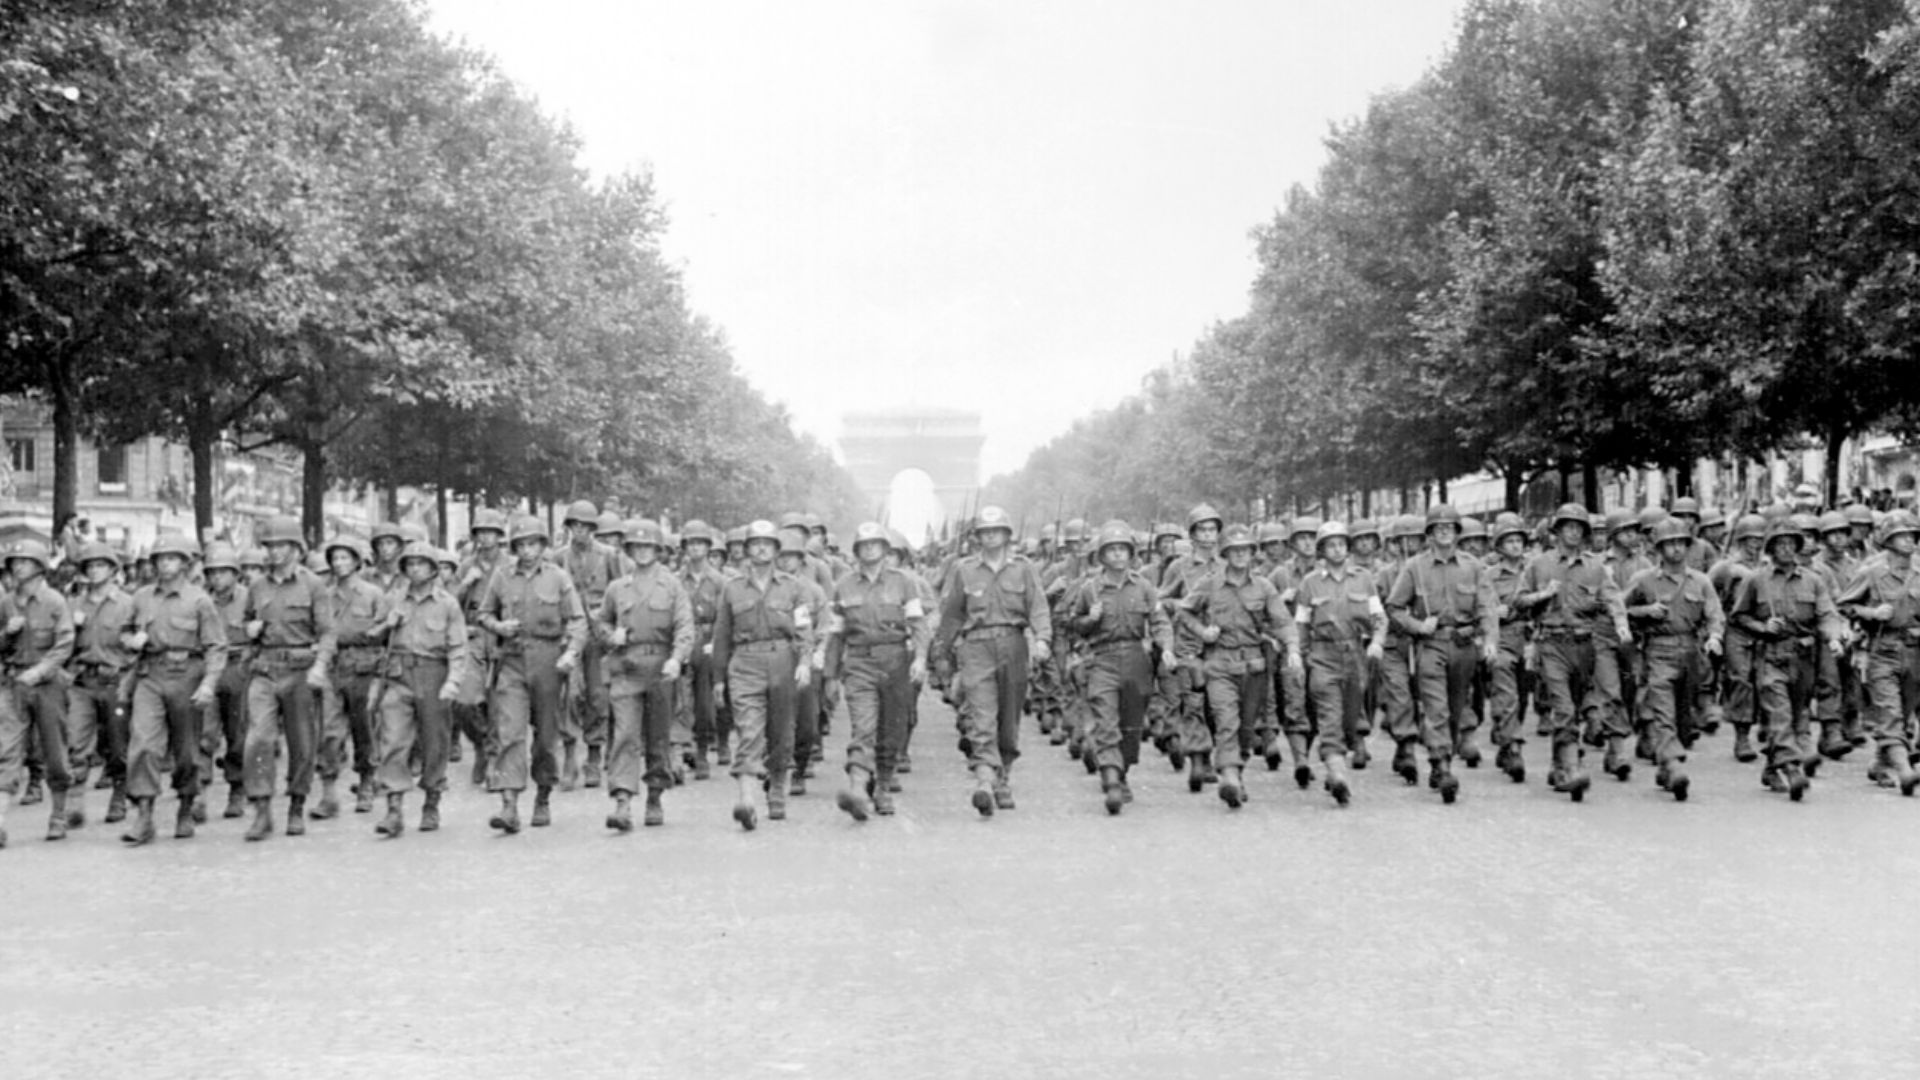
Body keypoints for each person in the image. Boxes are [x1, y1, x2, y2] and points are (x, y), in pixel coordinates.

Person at [934, 506, 1052, 816]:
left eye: (996, 531)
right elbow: (953, 615)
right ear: (977, 537)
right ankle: (984, 780)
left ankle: (1003, 776)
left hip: (1013, 645)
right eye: (985, 532)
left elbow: (1038, 606)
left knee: (1008, 720)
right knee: (980, 714)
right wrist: (941, 653)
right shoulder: (964, 570)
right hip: (977, 647)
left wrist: (1042, 639)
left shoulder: (1024, 569)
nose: (990, 536)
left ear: (1006, 535)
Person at [475, 515, 586, 832]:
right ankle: (509, 805)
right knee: (510, 733)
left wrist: (570, 652)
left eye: (533, 544)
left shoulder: (558, 577)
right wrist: (498, 626)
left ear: (542, 546)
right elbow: (483, 613)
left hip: (548, 661)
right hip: (511, 660)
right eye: (521, 544)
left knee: (545, 737)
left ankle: (543, 795)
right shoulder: (502, 576)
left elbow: (577, 620)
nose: (527, 550)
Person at [1514, 504, 1630, 802]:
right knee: (1563, 708)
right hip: (1551, 643)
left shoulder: (1595, 567)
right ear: (1557, 531)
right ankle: (1571, 766)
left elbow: (1612, 597)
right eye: (1568, 526)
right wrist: (1544, 594)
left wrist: (1620, 623)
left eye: (1579, 528)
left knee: (1576, 708)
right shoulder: (1539, 565)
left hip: (1584, 644)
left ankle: (1557, 763)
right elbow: (1519, 601)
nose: (1574, 532)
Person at [1179, 522, 1297, 809]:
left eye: (1245, 550)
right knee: (1225, 720)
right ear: (1225, 554)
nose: (1241, 555)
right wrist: (1202, 631)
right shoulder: (1209, 583)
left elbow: (1282, 622)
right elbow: (1185, 612)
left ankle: (1237, 769)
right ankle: (1228, 775)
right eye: (1235, 551)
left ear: (1252, 553)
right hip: (1219, 663)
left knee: (1246, 729)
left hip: (1253, 666)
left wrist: (1293, 649)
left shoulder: (1264, 586)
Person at [1386, 505, 1499, 804]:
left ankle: (1440, 755)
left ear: (1458, 532)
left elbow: (1486, 606)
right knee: (1436, 707)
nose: (1445, 531)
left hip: (1464, 646)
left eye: (1450, 526)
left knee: (1455, 707)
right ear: (1430, 534)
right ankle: (1443, 764)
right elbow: (1394, 607)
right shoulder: (1415, 567)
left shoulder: (1473, 567)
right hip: (1432, 644)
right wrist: (1418, 626)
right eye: (1438, 528)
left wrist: (1489, 639)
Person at [1729, 520, 1847, 800]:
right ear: (1770, 549)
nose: (1786, 549)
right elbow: (1738, 617)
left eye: (1791, 543)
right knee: (1778, 712)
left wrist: (1833, 637)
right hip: (1771, 656)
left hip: (1803, 657)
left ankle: (1772, 767)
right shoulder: (1756, 580)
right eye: (1779, 544)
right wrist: (1762, 627)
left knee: (1796, 714)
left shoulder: (1813, 580)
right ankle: (1793, 769)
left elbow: (1827, 613)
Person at [820, 522, 929, 820]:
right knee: (863, 727)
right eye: (864, 545)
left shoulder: (904, 583)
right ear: (856, 551)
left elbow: (918, 624)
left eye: (875, 544)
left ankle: (881, 786)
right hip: (859, 663)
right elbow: (836, 634)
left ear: (885, 549)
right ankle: (857, 788)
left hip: (896, 662)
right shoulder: (843, 585)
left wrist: (920, 658)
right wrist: (830, 675)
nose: (869, 549)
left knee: (891, 729)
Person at [122, 535, 227, 843]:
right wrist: (131, 641)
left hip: (187, 677)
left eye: (171, 558)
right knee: (143, 743)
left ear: (184, 563)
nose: (164, 564)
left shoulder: (199, 600)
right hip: (150, 676)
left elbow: (216, 646)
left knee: (186, 751)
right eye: (160, 558)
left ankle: (185, 805)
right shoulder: (141, 597)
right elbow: (125, 633)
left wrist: (208, 684)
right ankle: (144, 815)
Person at [711, 520, 815, 830]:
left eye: (767, 544)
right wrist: (718, 678)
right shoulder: (732, 588)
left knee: (782, 731)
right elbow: (721, 635)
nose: (760, 548)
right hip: (744, 662)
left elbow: (803, 629)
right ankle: (746, 797)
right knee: (748, 729)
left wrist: (805, 662)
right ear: (745, 551)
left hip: (782, 659)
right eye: (755, 544)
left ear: (776, 551)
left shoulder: (794, 587)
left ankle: (778, 788)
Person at [239, 516, 335, 841]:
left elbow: (327, 632)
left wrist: (320, 666)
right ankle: (262, 810)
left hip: (300, 671)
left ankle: (297, 803)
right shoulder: (256, 586)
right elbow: (248, 625)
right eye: (270, 546)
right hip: (265, 670)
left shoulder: (313, 585)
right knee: (258, 740)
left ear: (296, 548)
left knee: (302, 742)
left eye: (282, 545)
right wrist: (250, 630)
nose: (275, 552)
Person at [594, 520, 693, 831]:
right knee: (624, 733)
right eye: (636, 547)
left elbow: (685, 627)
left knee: (657, 737)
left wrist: (677, 659)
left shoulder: (673, 586)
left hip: (661, 670)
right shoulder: (617, 588)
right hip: (627, 668)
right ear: (629, 551)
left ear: (658, 550)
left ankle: (655, 794)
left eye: (648, 546)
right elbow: (600, 625)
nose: (642, 552)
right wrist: (612, 637)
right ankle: (622, 801)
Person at [368, 543, 470, 837]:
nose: (415, 569)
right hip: (398, 674)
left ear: (433, 568)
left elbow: (458, 646)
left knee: (434, 742)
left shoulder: (447, 603)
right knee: (393, 739)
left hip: (433, 675)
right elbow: (371, 636)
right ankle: (394, 808)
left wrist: (453, 680)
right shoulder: (392, 599)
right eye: (410, 564)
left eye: (421, 564)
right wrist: (388, 624)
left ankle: (431, 801)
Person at [1622, 518, 1725, 801]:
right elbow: (1618, 607)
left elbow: (1715, 614)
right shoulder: (1644, 580)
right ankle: (1672, 762)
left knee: (1684, 717)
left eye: (1681, 543)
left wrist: (1714, 636)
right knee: (1663, 711)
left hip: (1691, 651)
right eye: (1670, 544)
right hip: (1658, 651)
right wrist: (1644, 611)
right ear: (1659, 549)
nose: (1677, 550)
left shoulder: (1701, 581)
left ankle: (1666, 764)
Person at [1293, 520, 1384, 805]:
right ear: (1322, 550)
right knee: (1329, 715)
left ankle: (1336, 761)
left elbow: (1378, 617)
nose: (1337, 549)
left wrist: (1378, 641)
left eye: (1341, 544)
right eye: (1331, 545)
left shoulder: (1363, 578)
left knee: (1350, 719)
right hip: (1323, 656)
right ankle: (1337, 771)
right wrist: (1298, 655)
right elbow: (1300, 626)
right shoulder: (1310, 583)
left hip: (1356, 655)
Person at [1836, 511, 1920, 795]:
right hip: (1883, 650)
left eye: (1912, 535)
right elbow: (1844, 605)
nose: (1909, 540)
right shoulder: (1871, 573)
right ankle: (1905, 770)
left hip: (1915, 652)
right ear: (1888, 540)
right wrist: (1872, 612)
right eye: (1902, 536)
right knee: (1889, 711)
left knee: (1905, 712)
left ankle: (1881, 762)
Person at [0, 539, 75, 846]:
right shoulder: (5, 603)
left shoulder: (55, 602)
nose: (17, 567)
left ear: (39, 567)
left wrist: (40, 672)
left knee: (55, 751)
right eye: (14, 562)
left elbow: (65, 644)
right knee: (6, 750)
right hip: (14, 683)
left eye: (25, 562)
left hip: (48, 685)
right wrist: (7, 634)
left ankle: (58, 815)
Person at [63, 541, 137, 830]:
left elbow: (138, 642)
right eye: (90, 566)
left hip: (114, 681)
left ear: (112, 570)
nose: (94, 572)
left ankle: (119, 795)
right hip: (82, 681)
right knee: (76, 742)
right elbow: (62, 644)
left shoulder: (127, 604)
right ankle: (74, 801)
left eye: (100, 566)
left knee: (118, 745)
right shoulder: (73, 605)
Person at [317, 535, 383, 818]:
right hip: (334, 667)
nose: (339, 563)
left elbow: (384, 633)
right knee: (330, 732)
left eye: (345, 558)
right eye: (335, 558)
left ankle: (367, 783)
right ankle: (328, 793)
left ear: (357, 561)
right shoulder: (323, 595)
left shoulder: (373, 594)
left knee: (364, 729)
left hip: (364, 668)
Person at [558, 500, 619, 791]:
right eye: (575, 526)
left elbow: (623, 591)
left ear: (593, 529)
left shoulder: (609, 556)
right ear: (568, 528)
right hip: (570, 634)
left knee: (598, 695)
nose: (579, 532)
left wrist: (611, 621)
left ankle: (594, 755)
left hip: (599, 637)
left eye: (585, 527)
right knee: (570, 694)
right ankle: (570, 753)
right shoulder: (559, 558)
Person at [200, 542, 253, 818]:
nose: (216, 577)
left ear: (235, 573)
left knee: (238, 735)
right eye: (212, 572)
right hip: (208, 669)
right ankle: (199, 791)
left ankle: (237, 789)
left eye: (223, 571)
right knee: (203, 733)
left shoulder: (249, 598)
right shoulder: (199, 600)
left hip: (238, 667)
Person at [674, 520, 729, 778]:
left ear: (708, 547)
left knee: (706, 704)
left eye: (700, 543)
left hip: (708, 641)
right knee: (682, 700)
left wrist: (716, 645)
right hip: (684, 641)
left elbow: (724, 618)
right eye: (690, 543)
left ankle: (704, 750)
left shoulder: (719, 581)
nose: (695, 548)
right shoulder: (675, 580)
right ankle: (685, 747)